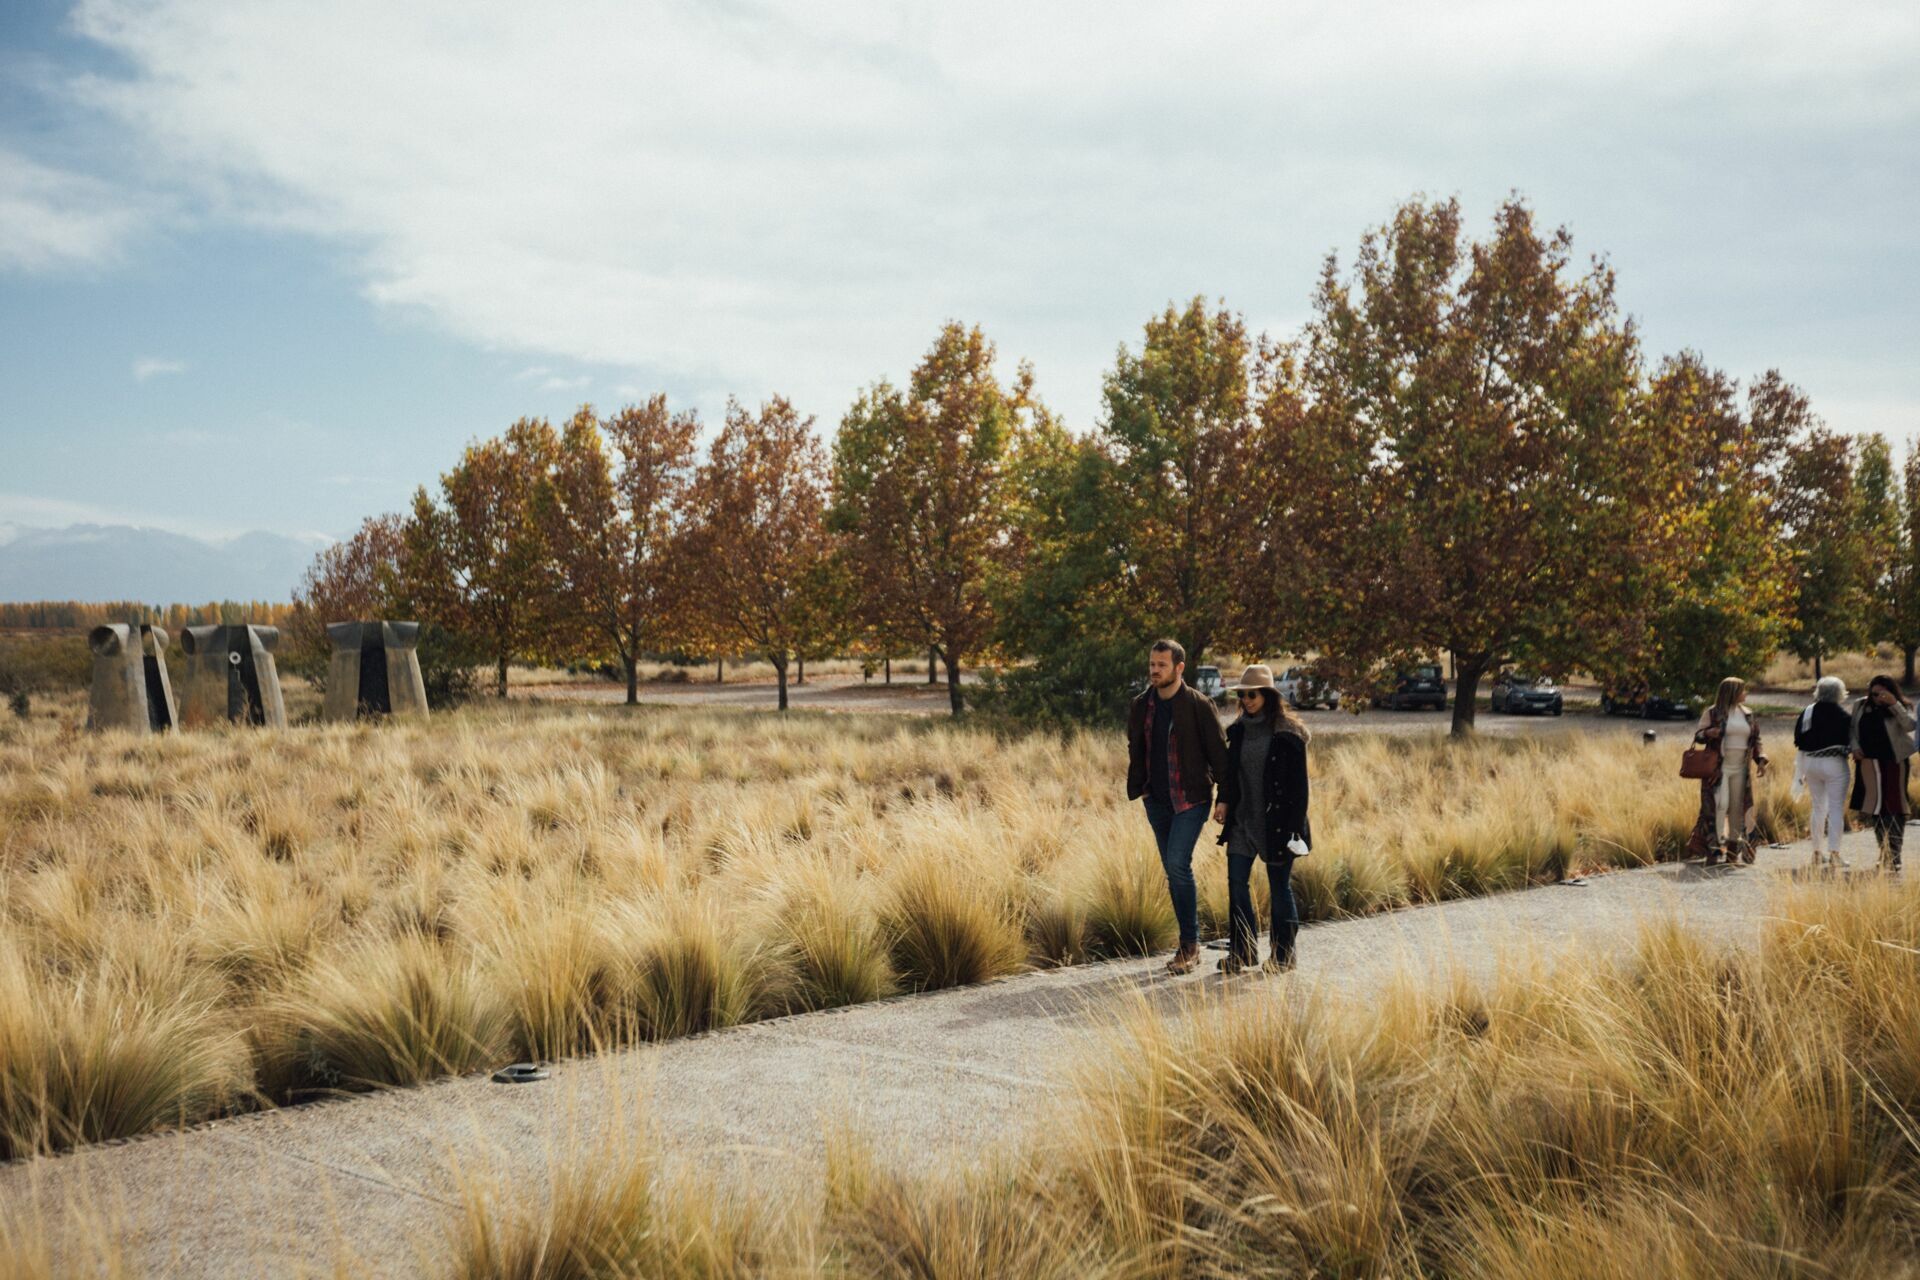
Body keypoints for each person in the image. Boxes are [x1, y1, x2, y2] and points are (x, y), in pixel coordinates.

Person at [1127, 638, 1227, 975]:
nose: (1154, 670)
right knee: (1173, 870)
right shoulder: (1141, 704)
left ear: (1179, 668)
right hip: (1156, 801)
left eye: (1162, 665)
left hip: (1191, 799)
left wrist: (1223, 796)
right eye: (1152, 664)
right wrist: (1142, 789)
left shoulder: (1199, 705)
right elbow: (1135, 747)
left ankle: (1190, 945)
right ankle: (1189, 944)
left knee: (1177, 863)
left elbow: (1219, 754)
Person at [1212, 664, 1310, 975]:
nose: (1247, 700)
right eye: (1242, 695)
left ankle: (1283, 955)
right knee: (1237, 883)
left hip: (1277, 825)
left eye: (1252, 694)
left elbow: (1300, 789)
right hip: (1242, 821)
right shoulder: (1239, 730)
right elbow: (1229, 774)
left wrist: (1294, 830)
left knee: (1279, 888)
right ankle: (1242, 952)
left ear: (1267, 695)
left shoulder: (1287, 735)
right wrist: (1223, 801)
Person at [1687, 677, 1769, 865]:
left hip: (1741, 769)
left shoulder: (1748, 714)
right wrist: (1709, 733)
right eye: (1742, 690)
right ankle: (1714, 850)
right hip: (1718, 770)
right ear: (1732, 692)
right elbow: (1698, 735)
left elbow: (1756, 738)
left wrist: (1761, 759)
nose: (1745, 694)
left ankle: (1733, 851)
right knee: (1718, 806)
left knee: (1738, 810)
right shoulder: (1712, 712)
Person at [1850, 675, 1916, 872]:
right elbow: (1852, 729)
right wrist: (1854, 747)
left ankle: (1895, 856)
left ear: (1891, 691)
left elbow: (1910, 726)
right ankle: (1884, 852)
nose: (1877, 696)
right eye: (1873, 692)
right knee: (1875, 808)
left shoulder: (1900, 705)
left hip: (1895, 762)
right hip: (1869, 763)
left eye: (1881, 693)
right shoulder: (1860, 705)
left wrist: (1894, 704)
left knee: (1895, 807)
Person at [1794, 676, 1853, 869]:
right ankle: (1834, 853)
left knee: (1818, 807)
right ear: (1839, 693)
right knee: (1835, 808)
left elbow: (1799, 740)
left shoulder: (1807, 712)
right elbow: (1850, 741)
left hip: (1810, 763)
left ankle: (1816, 852)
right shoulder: (1843, 715)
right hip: (1834, 763)